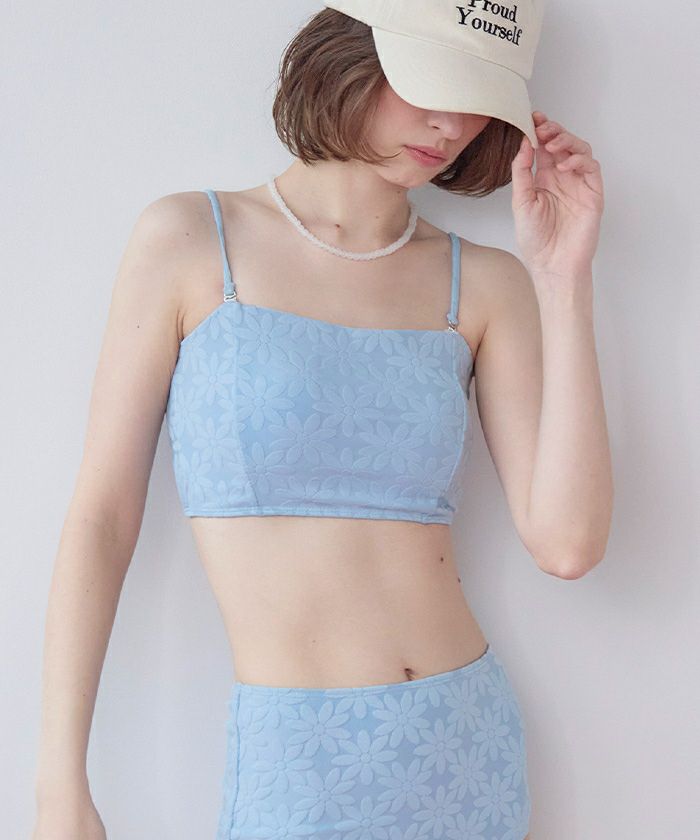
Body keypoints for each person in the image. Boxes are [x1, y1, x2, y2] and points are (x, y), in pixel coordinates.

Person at [33, 2, 612, 839]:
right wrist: (59, 783)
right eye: (432, 84)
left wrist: (564, 277)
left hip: (462, 749)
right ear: (353, 51)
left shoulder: (484, 284)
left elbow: (567, 545)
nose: (452, 125)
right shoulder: (191, 241)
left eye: (479, 101)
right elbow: (102, 517)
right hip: (296, 760)